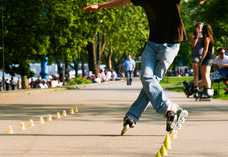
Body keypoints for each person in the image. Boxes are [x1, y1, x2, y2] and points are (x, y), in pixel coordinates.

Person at [84, 0, 206, 135]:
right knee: (147, 79)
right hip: (152, 44)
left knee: (151, 80)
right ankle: (169, 109)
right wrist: (100, 6)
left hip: (171, 45)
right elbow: (123, 0)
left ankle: (134, 115)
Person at [199, 24, 214, 99]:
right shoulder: (211, 38)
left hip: (207, 58)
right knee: (204, 74)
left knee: (205, 75)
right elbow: (212, 50)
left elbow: (205, 50)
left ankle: (208, 90)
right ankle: (206, 89)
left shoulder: (206, 38)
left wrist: (201, 59)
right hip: (210, 57)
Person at [190, 22, 203, 97]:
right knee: (196, 73)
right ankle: (195, 88)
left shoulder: (204, 36)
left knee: (202, 73)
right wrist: (197, 37)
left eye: (201, 27)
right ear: (196, 28)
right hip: (195, 56)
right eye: (198, 27)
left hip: (202, 56)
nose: (199, 28)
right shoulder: (192, 35)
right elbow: (193, 45)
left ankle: (202, 87)